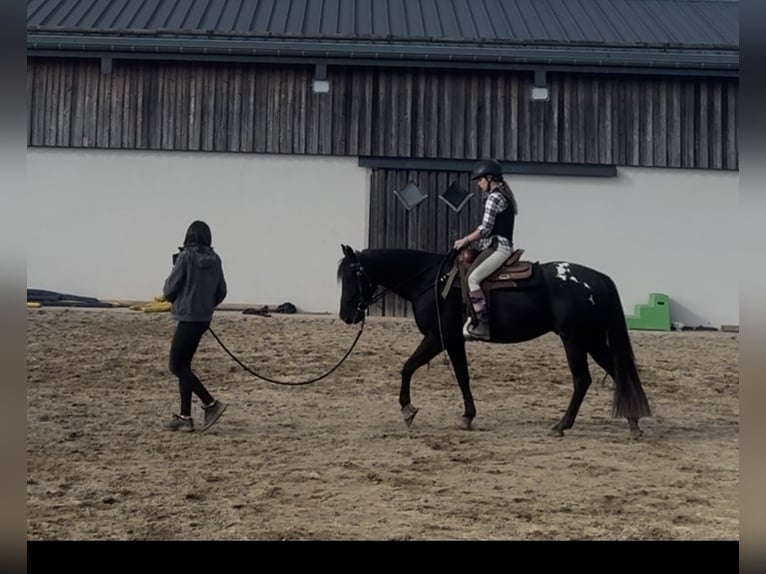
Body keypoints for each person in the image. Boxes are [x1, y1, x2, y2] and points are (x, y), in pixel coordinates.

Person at [161, 220, 228, 432]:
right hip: (203, 319)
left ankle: (211, 404)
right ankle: (185, 417)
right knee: (184, 367)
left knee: (176, 366)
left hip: (187, 318)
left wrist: (174, 299)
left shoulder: (186, 257)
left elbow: (170, 288)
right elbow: (222, 291)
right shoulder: (216, 259)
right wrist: (206, 306)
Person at [453, 159, 518, 341]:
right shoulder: (504, 196)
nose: (479, 184)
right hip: (496, 246)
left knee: (472, 278)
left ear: (490, 179)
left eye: (480, 180)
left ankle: (483, 322)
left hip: (499, 247)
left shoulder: (494, 197)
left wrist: (465, 240)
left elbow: (485, 229)